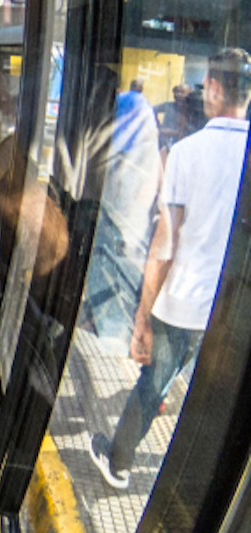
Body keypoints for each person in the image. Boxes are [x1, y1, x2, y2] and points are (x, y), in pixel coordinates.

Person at [90, 48, 251, 490]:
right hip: (234, 309)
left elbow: (164, 243)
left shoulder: (186, 152)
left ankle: (118, 463)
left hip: (183, 303)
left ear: (214, 89)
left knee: (154, 384)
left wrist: (142, 315)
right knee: (217, 398)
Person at [81, 77, 161, 351]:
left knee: (109, 262)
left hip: (119, 211)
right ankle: (107, 326)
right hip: (128, 215)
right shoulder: (141, 111)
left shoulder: (128, 107)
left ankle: (110, 330)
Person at [156, 83, 204, 152]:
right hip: (163, 145)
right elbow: (151, 110)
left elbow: (192, 131)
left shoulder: (191, 112)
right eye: (177, 91)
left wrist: (174, 132)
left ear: (188, 95)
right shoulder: (168, 106)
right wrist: (158, 126)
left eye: (182, 92)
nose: (178, 94)